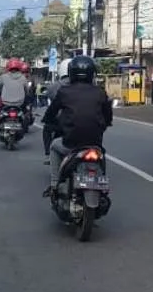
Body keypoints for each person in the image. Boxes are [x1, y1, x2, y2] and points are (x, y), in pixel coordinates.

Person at [41, 55, 114, 196]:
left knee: (54, 147)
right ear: (92, 73)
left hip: (70, 143)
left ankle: (55, 184)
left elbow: (51, 112)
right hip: (94, 143)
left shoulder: (64, 91)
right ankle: (102, 186)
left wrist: (47, 120)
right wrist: (104, 125)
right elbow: (108, 116)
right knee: (101, 156)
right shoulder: (100, 92)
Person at [42, 59, 71, 165]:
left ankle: (48, 154)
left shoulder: (55, 86)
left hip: (61, 121)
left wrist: (46, 118)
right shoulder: (89, 86)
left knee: (47, 129)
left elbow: (52, 104)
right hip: (88, 126)